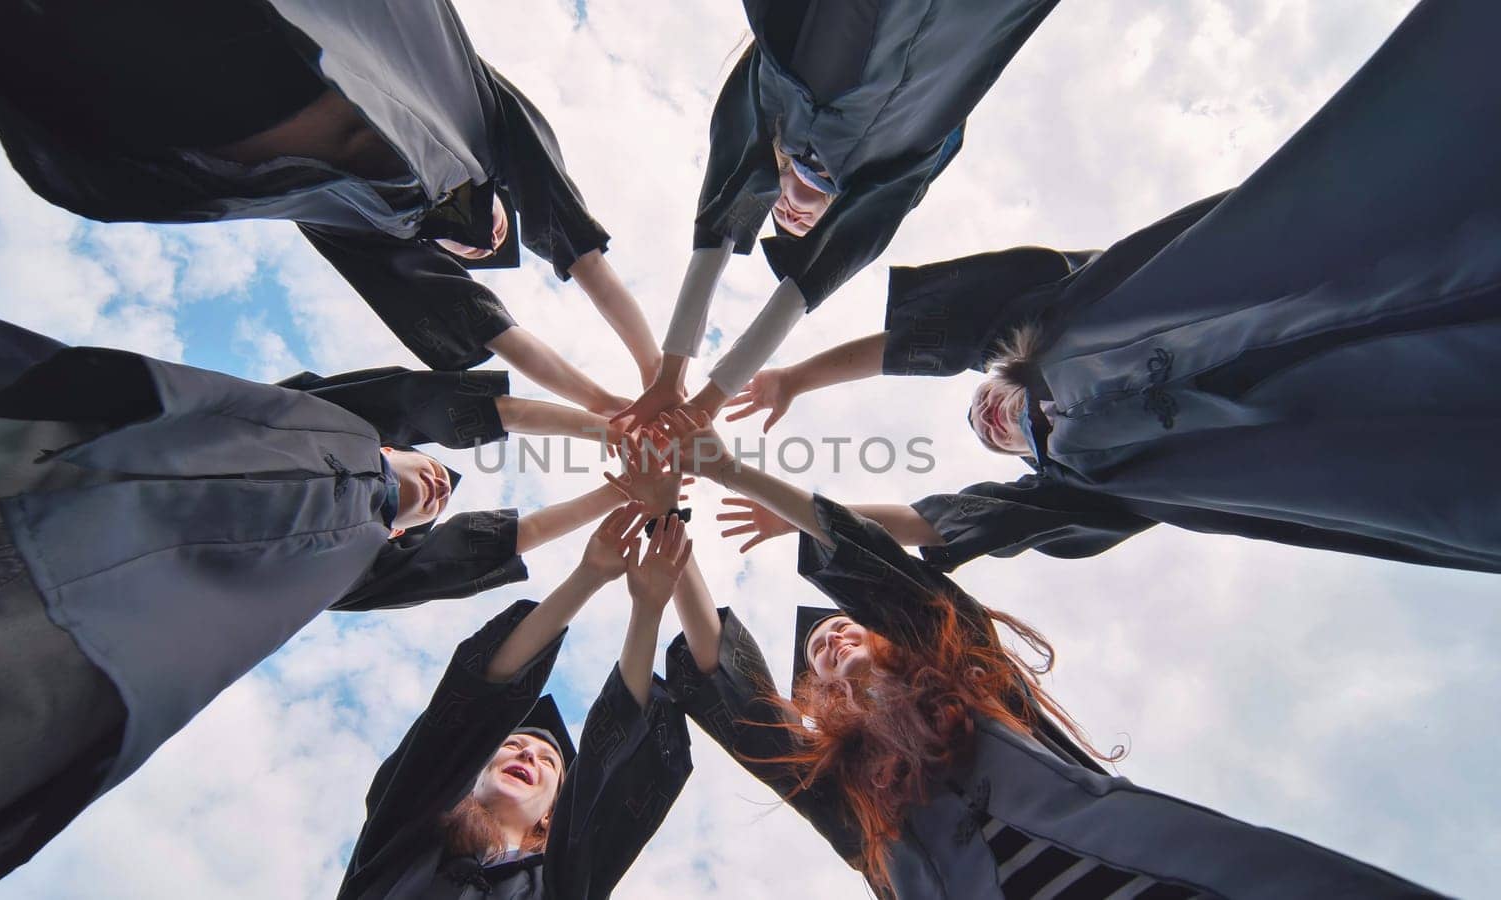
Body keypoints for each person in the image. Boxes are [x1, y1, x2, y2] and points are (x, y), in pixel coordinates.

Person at [0, 291, 677, 898]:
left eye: (539, 754)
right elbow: (424, 406)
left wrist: (615, 527)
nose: (523, 748)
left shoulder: (342, 562)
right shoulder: (323, 426)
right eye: (523, 741)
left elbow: (471, 625)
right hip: (45, 457)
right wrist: (604, 434)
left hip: (82, 636)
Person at [720, 0, 1501, 574]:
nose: (989, 420)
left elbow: (930, 340)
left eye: (979, 405)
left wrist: (796, 374)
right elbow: (936, 521)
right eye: (989, 435)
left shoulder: (1050, 315)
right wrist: (804, 513)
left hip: (1264, 285)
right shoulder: (1078, 481)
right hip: (1307, 430)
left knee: (1419, 226)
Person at [655, 410, 1441, 899]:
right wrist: (670, 530)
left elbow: (898, 584)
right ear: (819, 697)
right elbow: (740, 699)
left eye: (840, 627)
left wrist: (728, 469)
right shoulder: (852, 798)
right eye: (818, 655)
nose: (828, 638)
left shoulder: (970, 682)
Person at [0, 0, 658, 415]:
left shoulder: (356, 223)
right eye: (497, 233)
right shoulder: (476, 122)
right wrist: (654, 367)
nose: (482, 241)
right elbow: (576, 243)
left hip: (159, 96)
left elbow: (492, 330)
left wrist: (607, 406)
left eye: (470, 255)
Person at [614, 0, 1061, 430]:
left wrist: (674, 373)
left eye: (778, 212)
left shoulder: (778, 101)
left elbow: (721, 214)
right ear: (835, 216)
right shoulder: (890, 170)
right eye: (805, 226)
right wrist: (708, 398)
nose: (788, 212)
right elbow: (808, 278)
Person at [338, 505, 694, 899]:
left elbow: (615, 758)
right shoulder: (404, 833)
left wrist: (647, 608)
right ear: (474, 775)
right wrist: (586, 577)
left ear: (550, 815)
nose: (528, 756)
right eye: (513, 745)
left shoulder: (562, 888)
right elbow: (468, 710)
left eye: (548, 762)